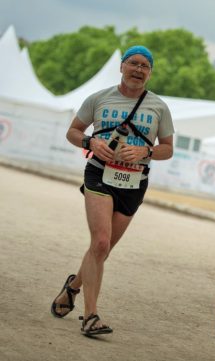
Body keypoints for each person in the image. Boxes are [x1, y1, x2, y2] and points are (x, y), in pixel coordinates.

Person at [50, 45, 174, 336]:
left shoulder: (159, 107)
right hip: (100, 175)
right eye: (133, 63)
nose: (138, 70)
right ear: (121, 66)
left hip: (134, 182)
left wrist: (146, 150)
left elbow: (167, 149)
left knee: (101, 250)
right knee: (101, 243)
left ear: (150, 73)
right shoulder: (99, 98)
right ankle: (90, 316)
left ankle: (72, 287)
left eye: (145, 66)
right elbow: (73, 131)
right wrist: (90, 143)